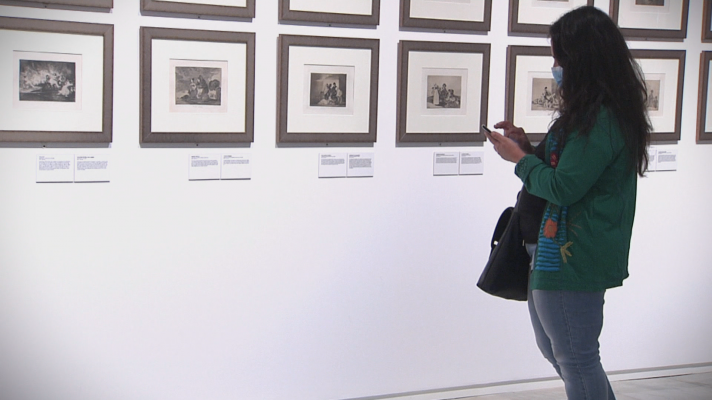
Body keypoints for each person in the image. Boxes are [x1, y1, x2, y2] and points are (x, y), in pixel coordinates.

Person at [484, 6, 651, 400]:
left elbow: (564, 188)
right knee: (564, 353)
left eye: (559, 57)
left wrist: (520, 161)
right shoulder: (589, 114)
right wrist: (527, 147)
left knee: (576, 358)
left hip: (573, 257)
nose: (555, 65)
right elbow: (566, 167)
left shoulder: (602, 119)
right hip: (553, 253)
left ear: (583, 59)